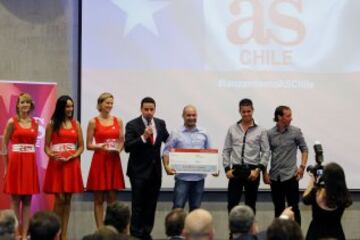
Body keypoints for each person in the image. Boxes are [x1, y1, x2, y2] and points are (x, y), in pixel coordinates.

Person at [124, 97, 169, 240]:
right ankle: (135, 234)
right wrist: (143, 137)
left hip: (155, 172)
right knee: (137, 205)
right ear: (141, 109)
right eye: (146, 109)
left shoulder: (160, 123)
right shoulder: (132, 125)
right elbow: (127, 147)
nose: (149, 112)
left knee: (151, 205)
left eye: (151, 109)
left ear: (154, 109)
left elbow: (169, 141)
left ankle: (146, 233)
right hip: (138, 172)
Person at [43, 95, 84, 240]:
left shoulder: (76, 124)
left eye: (71, 106)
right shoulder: (52, 124)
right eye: (67, 106)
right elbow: (46, 147)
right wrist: (52, 155)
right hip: (57, 164)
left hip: (71, 164)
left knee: (67, 199)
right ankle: (53, 233)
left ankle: (64, 235)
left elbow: (81, 147)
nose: (70, 109)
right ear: (61, 107)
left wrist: (73, 156)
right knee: (59, 199)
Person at [2, 93, 40, 240]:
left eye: (28, 103)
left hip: (29, 163)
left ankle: (25, 235)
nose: (25, 105)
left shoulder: (35, 123)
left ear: (31, 105)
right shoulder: (12, 122)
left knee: (27, 201)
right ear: (17, 105)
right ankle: (16, 234)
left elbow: (32, 144)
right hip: (16, 163)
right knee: (15, 201)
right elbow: (4, 145)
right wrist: (6, 166)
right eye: (23, 102)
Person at [222, 98, 270, 213]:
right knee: (232, 204)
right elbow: (226, 150)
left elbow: (266, 152)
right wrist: (227, 169)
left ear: (253, 110)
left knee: (250, 204)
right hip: (236, 171)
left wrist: (258, 170)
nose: (246, 114)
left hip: (253, 171)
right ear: (240, 111)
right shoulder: (232, 129)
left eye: (249, 111)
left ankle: (251, 231)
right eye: (244, 111)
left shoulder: (261, 130)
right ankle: (233, 231)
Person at [163, 105, 213, 211]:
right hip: (182, 179)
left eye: (193, 115)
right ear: (183, 116)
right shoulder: (175, 133)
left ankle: (193, 228)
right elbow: (166, 151)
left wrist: (214, 168)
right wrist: (167, 166)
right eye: (188, 115)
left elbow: (210, 153)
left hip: (199, 179)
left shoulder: (204, 132)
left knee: (195, 210)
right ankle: (176, 228)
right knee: (178, 208)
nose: (191, 117)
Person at [86, 93, 126, 228]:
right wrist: (99, 146)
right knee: (98, 199)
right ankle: (100, 230)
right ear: (100, 104)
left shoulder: (118, 120)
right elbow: (88, 145)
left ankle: (111, 229)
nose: (109, 105)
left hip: (113, 160)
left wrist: (118, 149)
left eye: (111, 103)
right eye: (107, 103)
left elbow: (121, 141)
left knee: (112, 199)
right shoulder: (93, 121)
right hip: (99, 161)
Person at [264, 106, 308, 224]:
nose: (291, 118)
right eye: (288, 116)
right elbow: (265, 154)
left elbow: (304, 149)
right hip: (275, 177)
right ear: (279, 117)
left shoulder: (296, 131)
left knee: (294, 208)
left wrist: (302, 167)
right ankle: (279, 235)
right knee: (278, 209)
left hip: (291, 176)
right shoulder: (269, 133)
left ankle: (296, 235)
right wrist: (264, 173)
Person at [302, 162, 352, 240]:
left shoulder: (316, 193)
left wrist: (312, 178)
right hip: (336, 234)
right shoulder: (343, 195)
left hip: (315, 234)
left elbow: (305, 199)